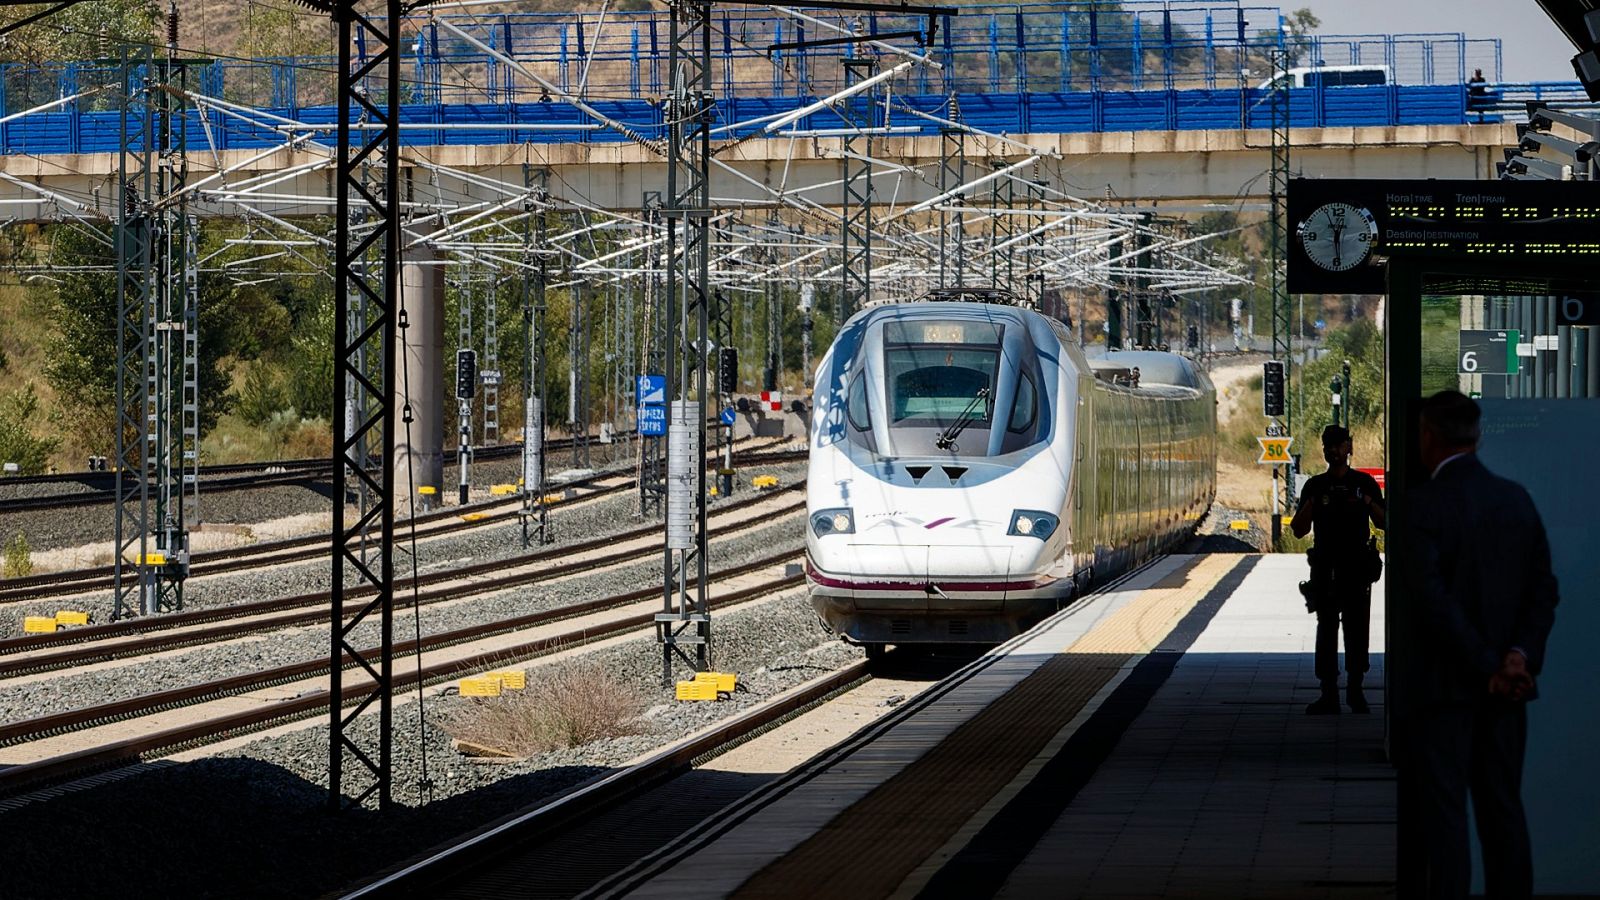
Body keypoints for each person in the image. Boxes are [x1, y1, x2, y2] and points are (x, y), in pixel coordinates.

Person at [1403, 390, 1558, 899]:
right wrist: (1518, 658)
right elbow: (1543, 590)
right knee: (1503, 813)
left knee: (1446, 821)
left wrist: (1487, 663)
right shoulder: (1516, 500)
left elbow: (1432, 600)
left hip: (1444, 693)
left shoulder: (1423, 505)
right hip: (1507, 694)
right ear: (1478, 437)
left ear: (1428, 437)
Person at [1291, 423, 1385, 714]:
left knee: (1357, 630)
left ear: (1349, 447)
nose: (1333, 450)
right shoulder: (1316, 486)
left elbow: (1384, 521)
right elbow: (1298, 529)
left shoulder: (1364, 483)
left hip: (1357, 568)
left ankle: (1356, 690)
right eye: (1328, 445)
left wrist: (1367, 501)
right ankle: (1328, 692)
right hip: (1326, 568)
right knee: (1327, 630)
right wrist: (1312, 503)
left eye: (1338, 445)